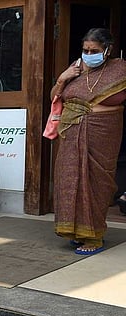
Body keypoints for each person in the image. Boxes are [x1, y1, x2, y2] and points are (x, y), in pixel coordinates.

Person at [50, 28, 126, 255]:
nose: (89, 54)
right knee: (69, 179)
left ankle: (94, 237)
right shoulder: (76, 69)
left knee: (96, 182)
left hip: (103, 132)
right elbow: (54, 96)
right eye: (85, 50)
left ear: (108, 50)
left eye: (94, 50)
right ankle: (75, 232)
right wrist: (62, 79)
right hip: (72, 131)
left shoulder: (120, 69)